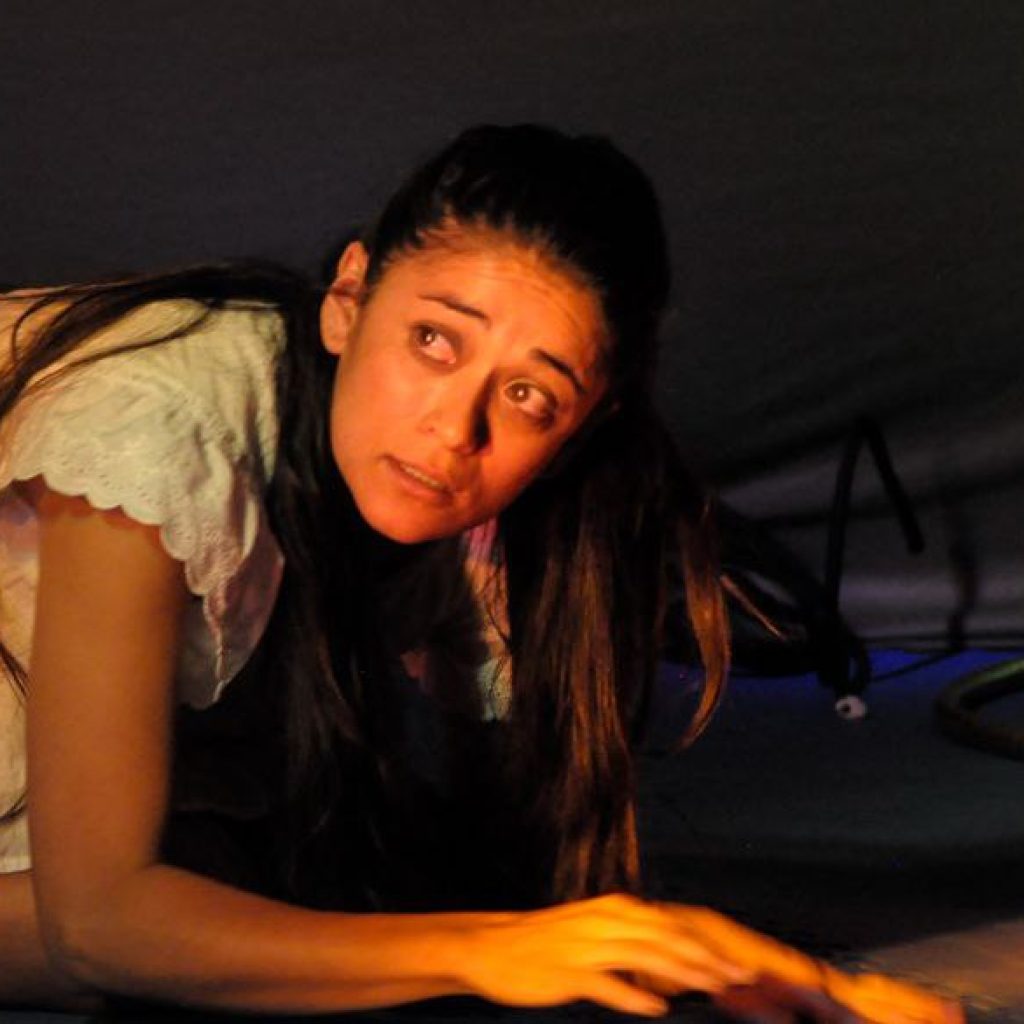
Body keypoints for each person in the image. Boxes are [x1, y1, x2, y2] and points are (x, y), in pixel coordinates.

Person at [0, 124, 959, 1021]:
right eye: (433, 341)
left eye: (529, 395)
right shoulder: (153, 436)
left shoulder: (504, 507)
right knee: (255, 905)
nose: (456, 429)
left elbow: (518, 888)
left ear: (584, 420)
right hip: (73, 871)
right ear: (347, 301)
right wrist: (480, 950)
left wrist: (743, 974)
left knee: (336, 879)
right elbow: (97, 926)